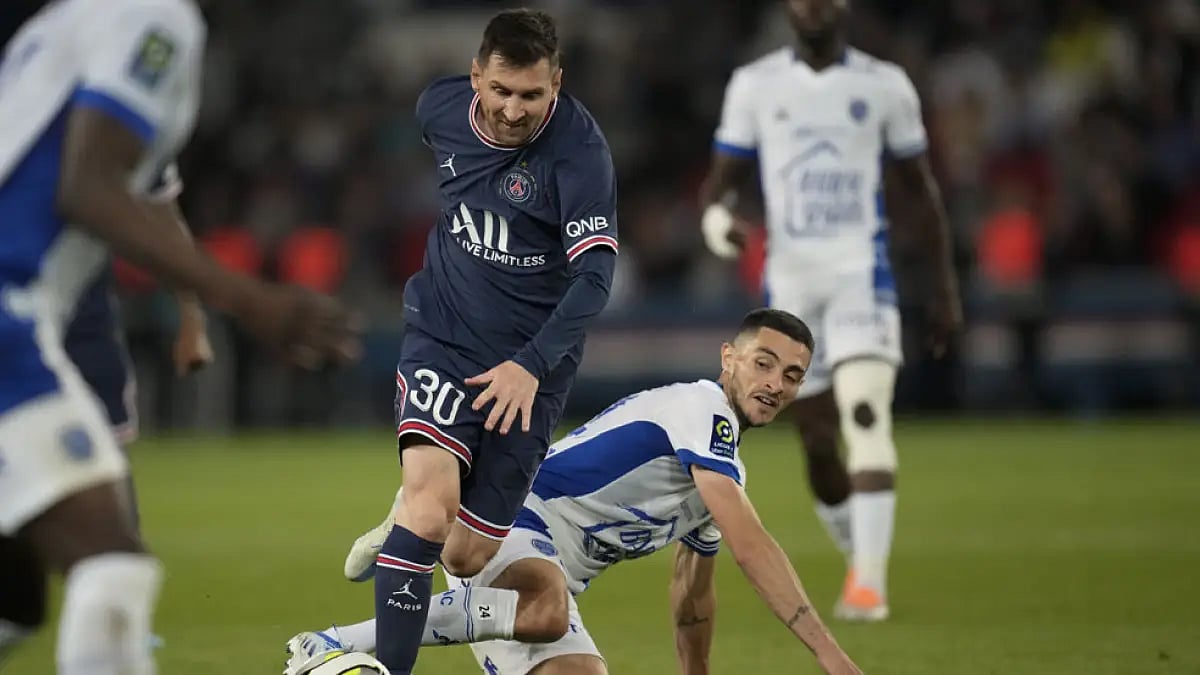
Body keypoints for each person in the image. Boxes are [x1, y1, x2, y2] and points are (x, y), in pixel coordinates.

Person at [0, 1, 358, 671]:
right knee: (111, 563)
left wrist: (198, 307)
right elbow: (88, 186)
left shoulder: (73, 18)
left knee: (15, 597)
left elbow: (141, 190)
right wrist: (249, 298)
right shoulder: (153, 16)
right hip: (7, 306)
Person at [287, 309, 863, 675]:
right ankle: (328, 641)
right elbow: (752, 547)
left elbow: (692, 599)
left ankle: (417, 526)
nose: (774, 384)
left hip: (538, 582)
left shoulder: (721, 472)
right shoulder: (702, 409)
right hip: (511, 521)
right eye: (764, 363)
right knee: (547, 609)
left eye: (792, 375)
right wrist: (830, 657)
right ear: (728, 359)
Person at [368, 9, 618, 674]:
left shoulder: (579, 153)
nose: (512, 110)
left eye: (532, 95)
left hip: (532, 367)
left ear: (556, 85)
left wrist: (532, 365)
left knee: (464, 555)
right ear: (476, 76)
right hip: (443, 333)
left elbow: (596, 276)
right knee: (429, 512)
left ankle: (404, 526)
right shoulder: (439, 108)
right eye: (501, 90)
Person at [698, 0, 963, 621]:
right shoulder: (756, 85)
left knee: (867, 414)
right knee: (817, 441)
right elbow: (721, 182)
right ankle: (858, 552)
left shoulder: (884, 85)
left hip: (859, 278)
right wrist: (716, 224)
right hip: (790, 287)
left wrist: (944, 286)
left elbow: (919, 189)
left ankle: (868, 586)